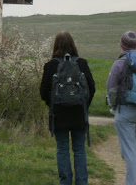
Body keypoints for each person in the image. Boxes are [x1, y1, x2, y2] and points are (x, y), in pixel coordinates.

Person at [40, 31, 95, 185]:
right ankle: (82, 182)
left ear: (55, 45)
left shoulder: (50, 66)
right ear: (73, 45)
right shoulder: (82, 63)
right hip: (79, 113)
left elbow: (43, 92)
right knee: (79, 150)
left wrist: (52, 105)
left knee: (62, 149)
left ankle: (65, 181)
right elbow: (92, 88)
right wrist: (84, 105)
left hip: (59, 114)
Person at [107, 31, 136, 185]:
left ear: (121, 45)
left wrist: (113, 106)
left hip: (126, 110)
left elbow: (111, 88)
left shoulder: (119, 63)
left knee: (130, 152)